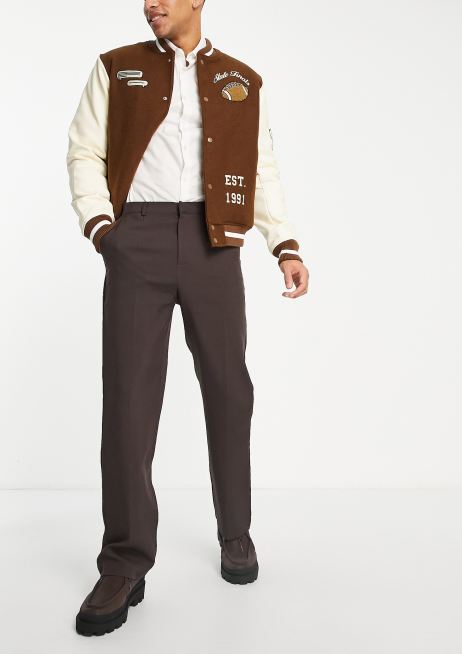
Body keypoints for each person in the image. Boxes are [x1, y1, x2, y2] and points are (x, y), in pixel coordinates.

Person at [66, 0, 309, 637]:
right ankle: (124, 563)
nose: (151, 3)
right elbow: (84, 150)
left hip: (214, 244)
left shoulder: (240, 79)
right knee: (129, 400)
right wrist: (102, 227)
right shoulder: (116, 67)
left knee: (229, 390)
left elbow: (260, 166)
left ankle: (236, 533)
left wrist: (283, 244)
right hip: (137, 240)